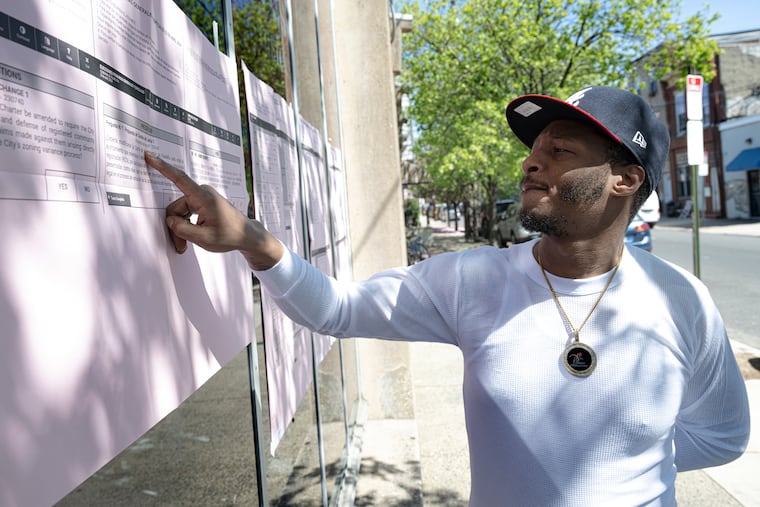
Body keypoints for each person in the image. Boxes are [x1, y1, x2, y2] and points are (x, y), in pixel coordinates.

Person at [144, 85, 750, 506]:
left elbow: (723, 436)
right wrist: (253, 241)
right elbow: (336, 309)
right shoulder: (472, 281)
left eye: (560, 151)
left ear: (625, 178)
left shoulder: (682, 301)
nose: (532, 165)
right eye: (533, 152)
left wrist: (628, 462)